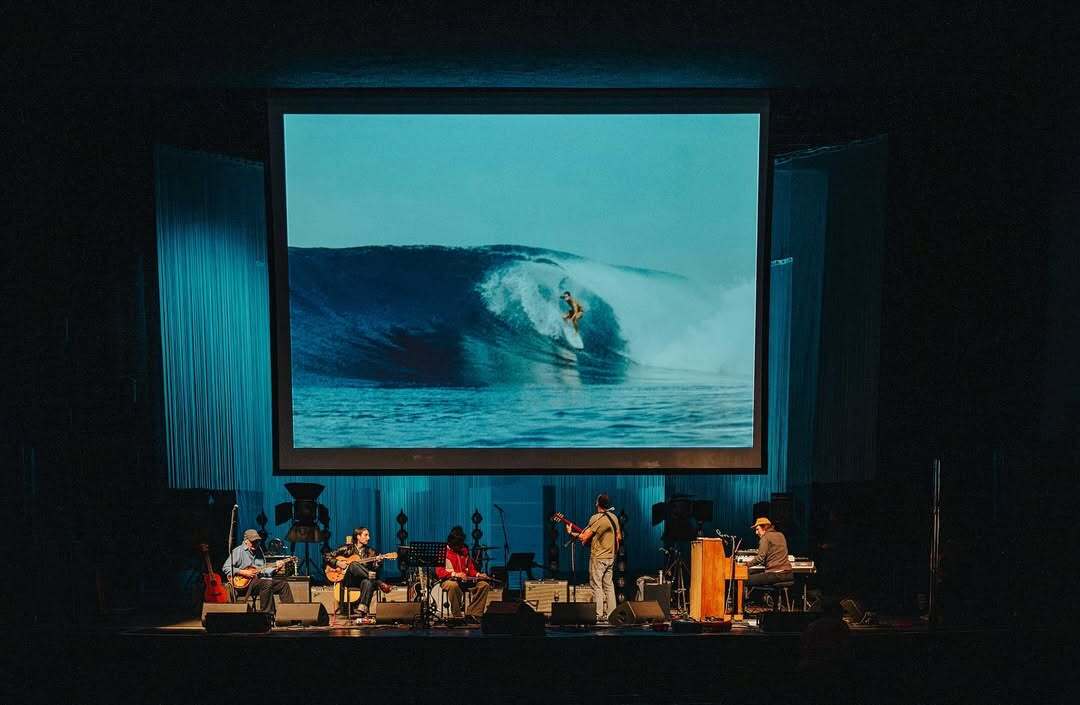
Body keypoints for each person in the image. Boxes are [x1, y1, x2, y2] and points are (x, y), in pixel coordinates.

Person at [566, 493, 622, 621]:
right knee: (609, 585)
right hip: (611, 557)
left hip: (598, 558)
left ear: (597, 503)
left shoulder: (596, 518)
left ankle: (598, 614)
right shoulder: (614, 517)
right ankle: (612, 614)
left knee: (596, 585)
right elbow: (619, 537)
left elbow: (584, 537)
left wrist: (571, 532)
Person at [222, 529, 294, 612]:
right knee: (267, 583)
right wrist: (243, 572)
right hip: (243, 585)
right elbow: (226, 568)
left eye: (257, 541)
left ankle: (290, 614)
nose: (255, 544)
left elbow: (263, 571)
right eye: (253, 541)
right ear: (246, 541)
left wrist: (276, 569)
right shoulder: (238, 551)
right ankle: (266, 614)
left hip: (258, 583)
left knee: (283, 584)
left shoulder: (259, 551)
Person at [324, 527, 385, 618]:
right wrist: (338, 563)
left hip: (362, 581)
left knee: (368, 582)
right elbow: (327, 556)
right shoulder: (346, 548)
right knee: (353, 564)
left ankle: (362, 610)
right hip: (348, 580)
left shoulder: (371, 552)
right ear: (358, 537)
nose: (369, 538)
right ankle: (377, 581)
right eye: (366, 535)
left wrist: (378, 563)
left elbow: (375, 570)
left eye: (368, 535)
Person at [435, 526, 491, 623]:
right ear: (451, 543)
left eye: (460, 545)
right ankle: (458, 617)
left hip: (466, 581)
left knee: (484, 585)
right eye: (457, 545)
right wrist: (456, 574)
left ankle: (473, 614)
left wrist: (478, 575)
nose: (460, 547)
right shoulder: (442, 552)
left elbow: (471, 570)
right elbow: (439, 573)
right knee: (453, 585)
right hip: (448, 580)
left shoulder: (464, 551)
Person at [746, 516, 794, 591]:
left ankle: (753, 601)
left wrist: (746, 565)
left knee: (745, 579)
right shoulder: (781, 535)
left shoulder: (765, 537)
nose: (756, 532)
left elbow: (760, 558)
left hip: (776, 574)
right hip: (788, 573)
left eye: (757, 529)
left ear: (765, 527)